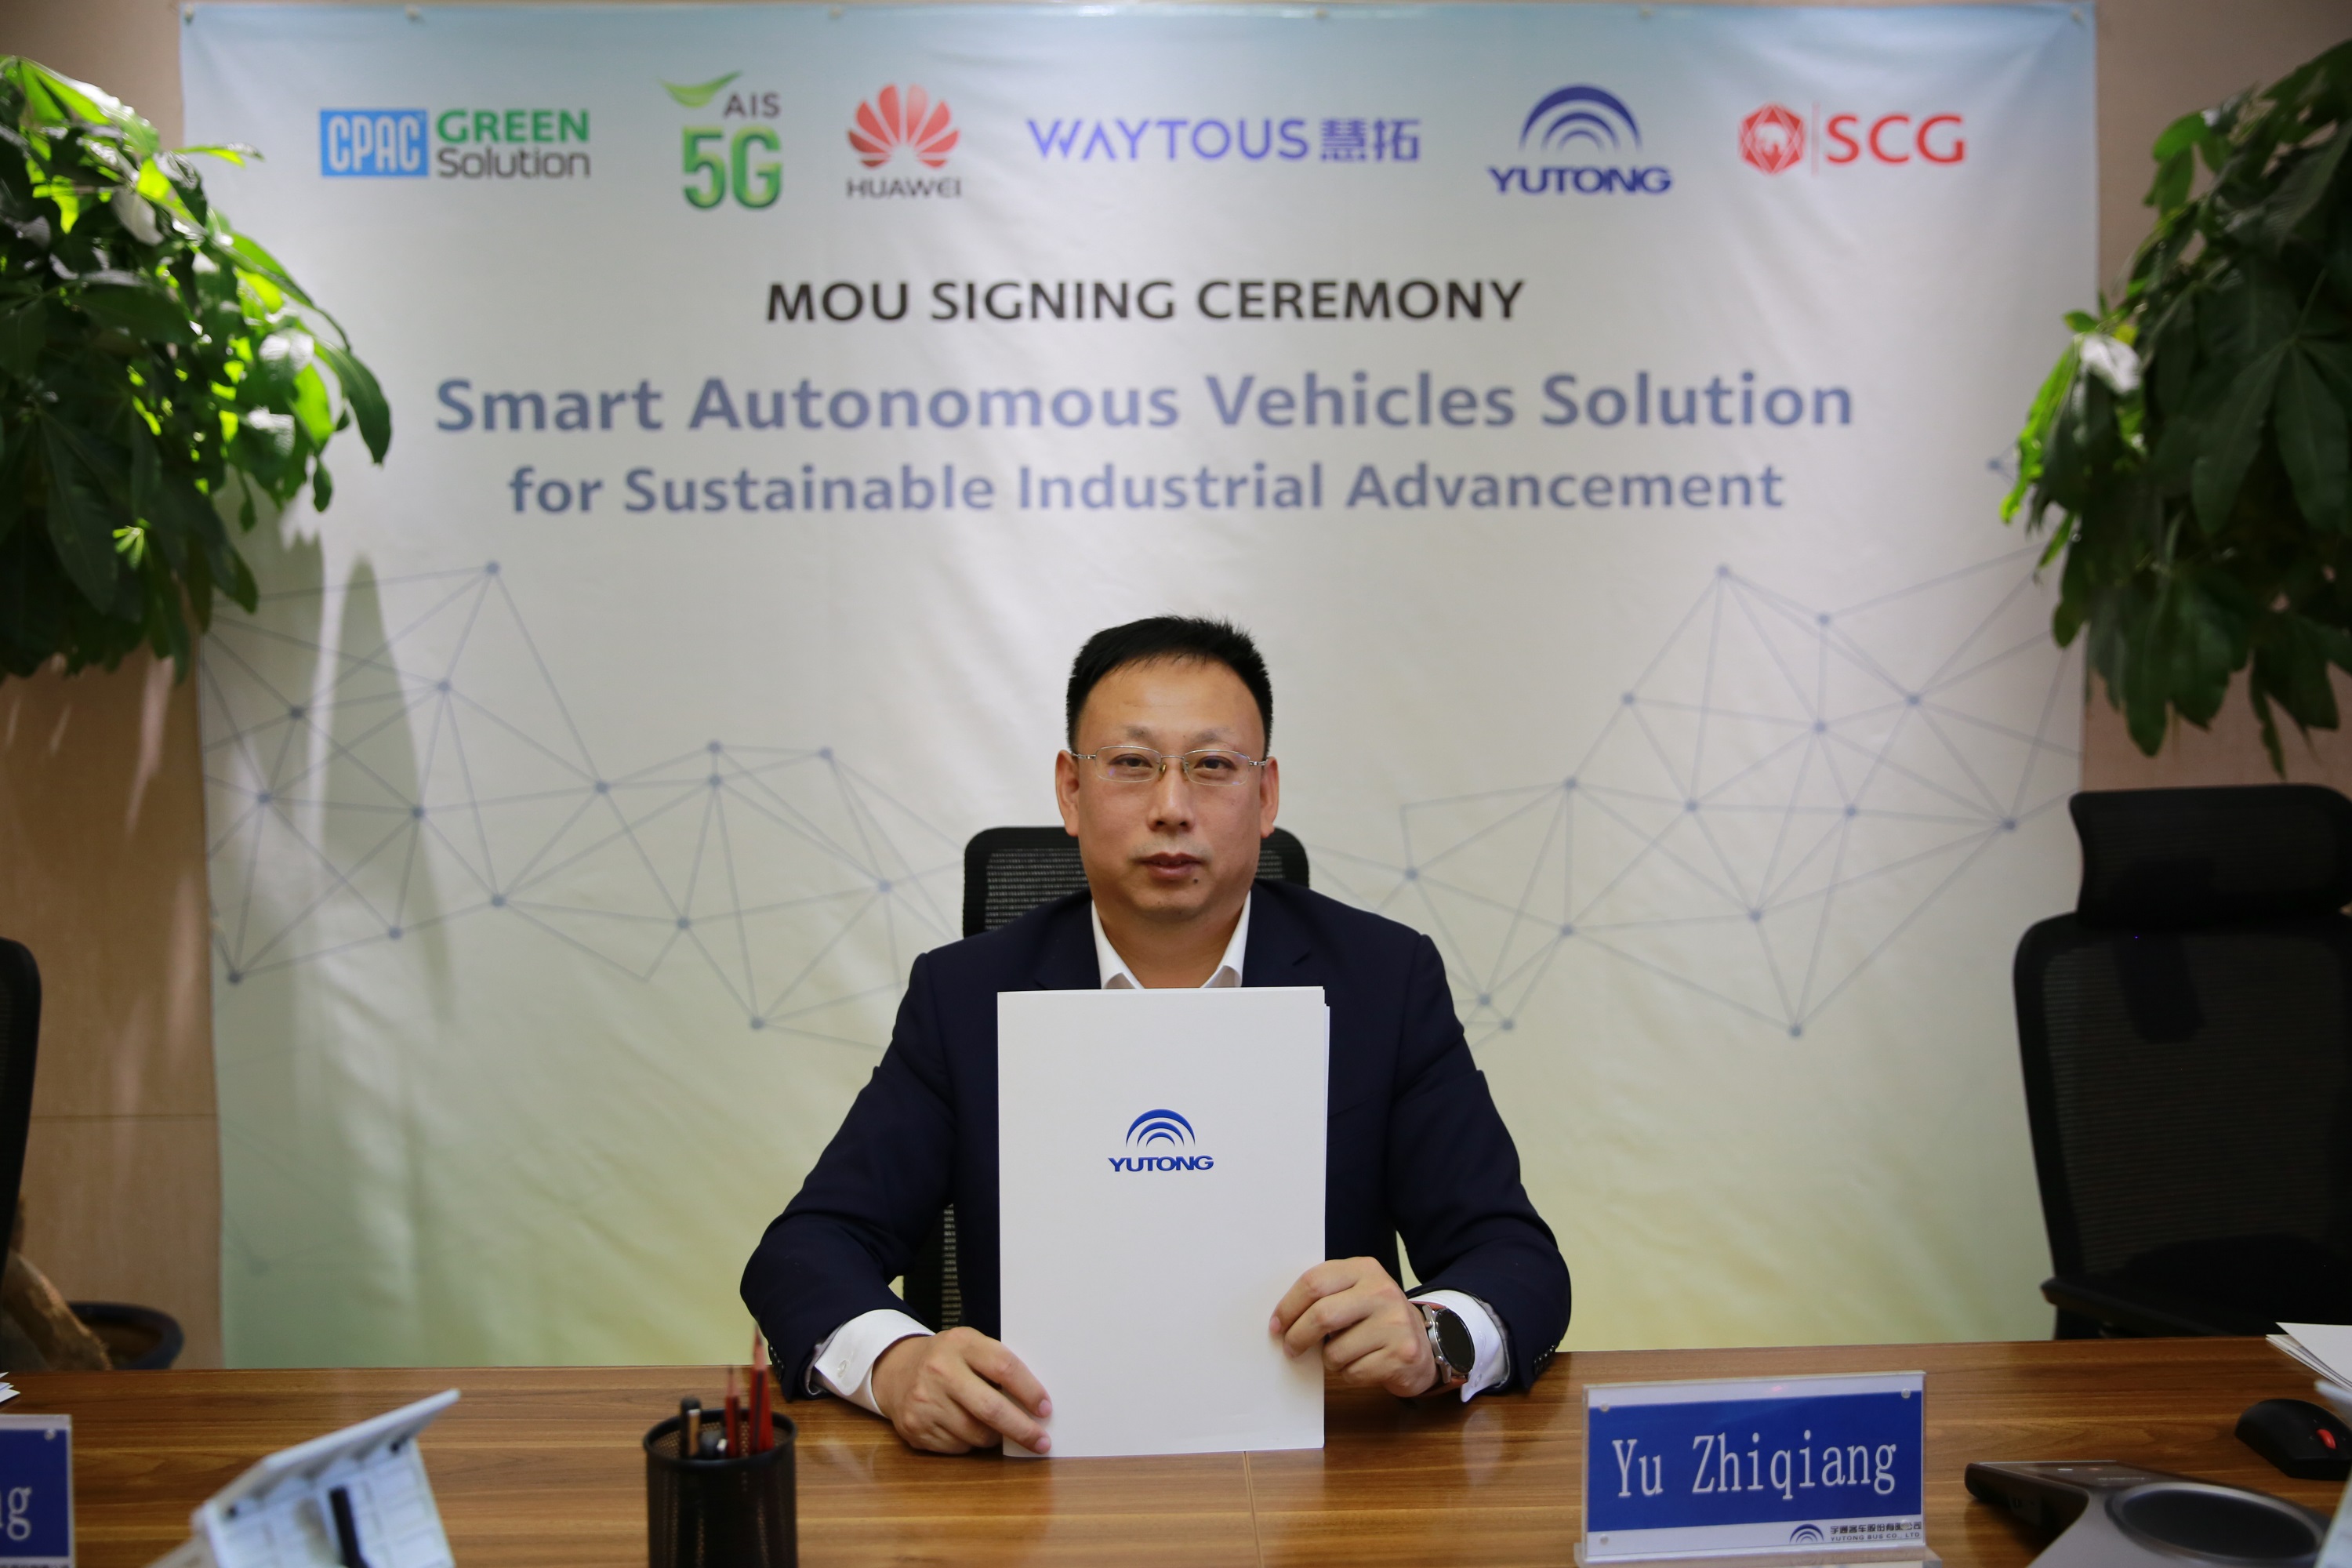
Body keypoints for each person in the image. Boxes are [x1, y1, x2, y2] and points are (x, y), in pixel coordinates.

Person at [741, 616, 1569, 1454]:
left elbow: (1513, 1256)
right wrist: (895, 1365)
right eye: (1132, 765)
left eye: (1213, 766)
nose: (1172, 809)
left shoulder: (1383, 981)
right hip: (1034, 1463)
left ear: (1267, 796)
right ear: (1071, 790)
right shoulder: (963, 997)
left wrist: (1434, 1338)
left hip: (1319, 1474)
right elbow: (807, 1250)